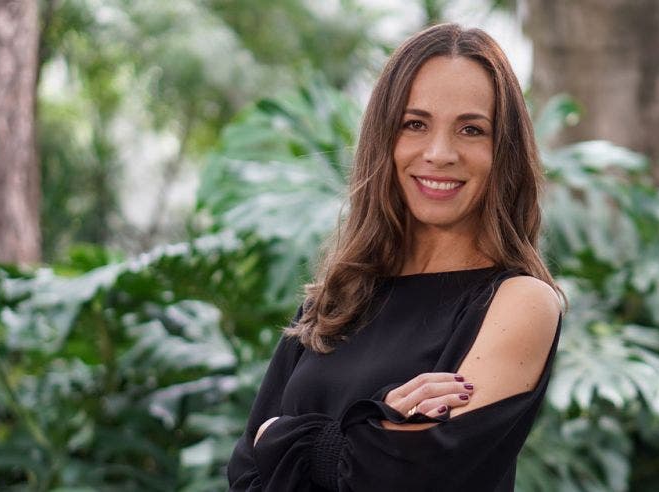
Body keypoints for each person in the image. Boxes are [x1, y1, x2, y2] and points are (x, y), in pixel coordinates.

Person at [227, 22, 564, 491]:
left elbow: (404, 481)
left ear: (502, 151)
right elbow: (246, 476)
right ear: (384, 139)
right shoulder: (337, 299)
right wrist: (369, 433)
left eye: (471, 129)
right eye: (415, 124)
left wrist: (284, 439)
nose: (439, 153)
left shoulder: (520, 302)